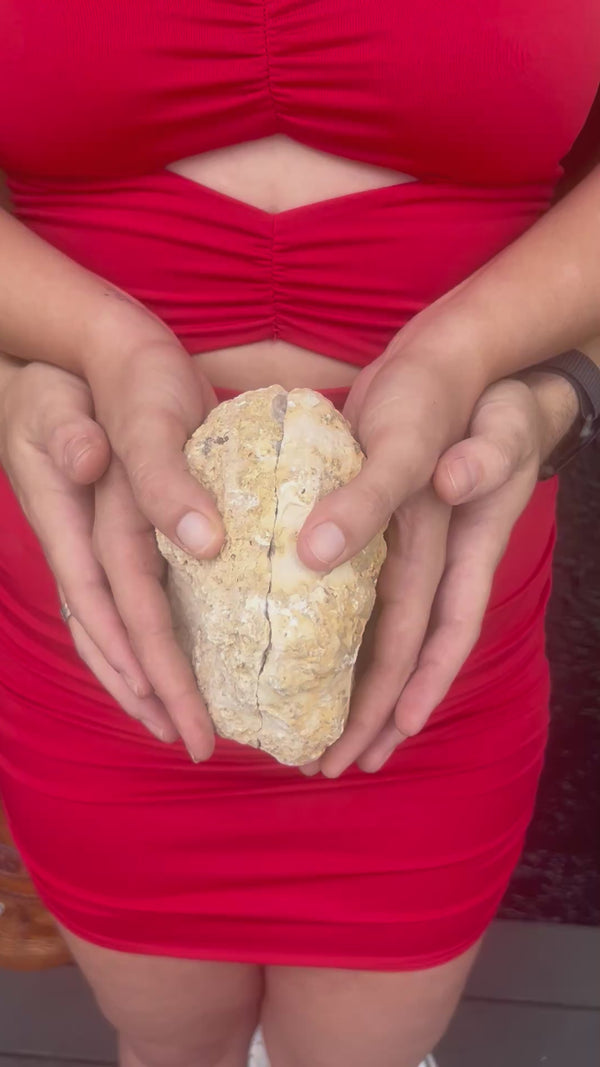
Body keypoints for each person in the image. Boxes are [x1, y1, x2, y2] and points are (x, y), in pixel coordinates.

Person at [0, 5, 599, 1066]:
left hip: (428, 631)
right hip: (101, 626)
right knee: (167, 1044)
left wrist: (528, 370)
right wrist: (58, 347)